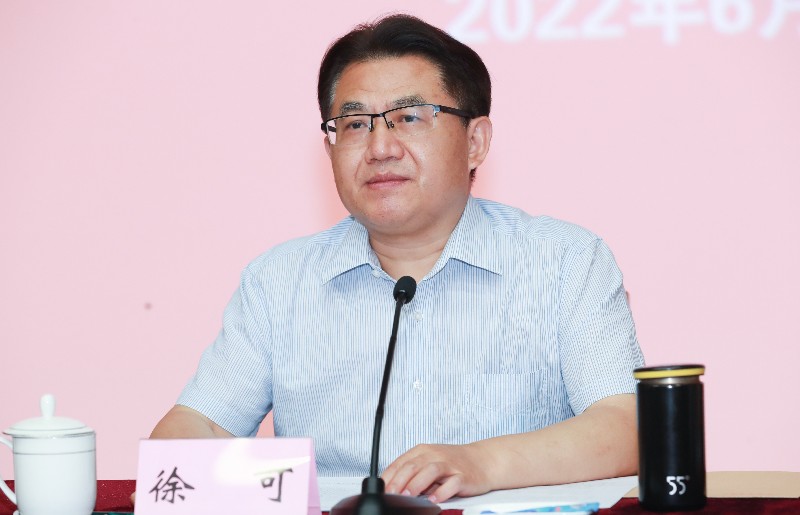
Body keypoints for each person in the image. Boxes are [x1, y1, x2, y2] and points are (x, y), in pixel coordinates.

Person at [150, 13, 645, 504]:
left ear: (475, 142)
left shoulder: (564, 262)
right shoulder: (277, 281)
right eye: (354, 124)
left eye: (409, 117)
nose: (380, 147)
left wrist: (483, 463)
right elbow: (199, 423)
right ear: (330, 148)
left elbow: (628, 426)